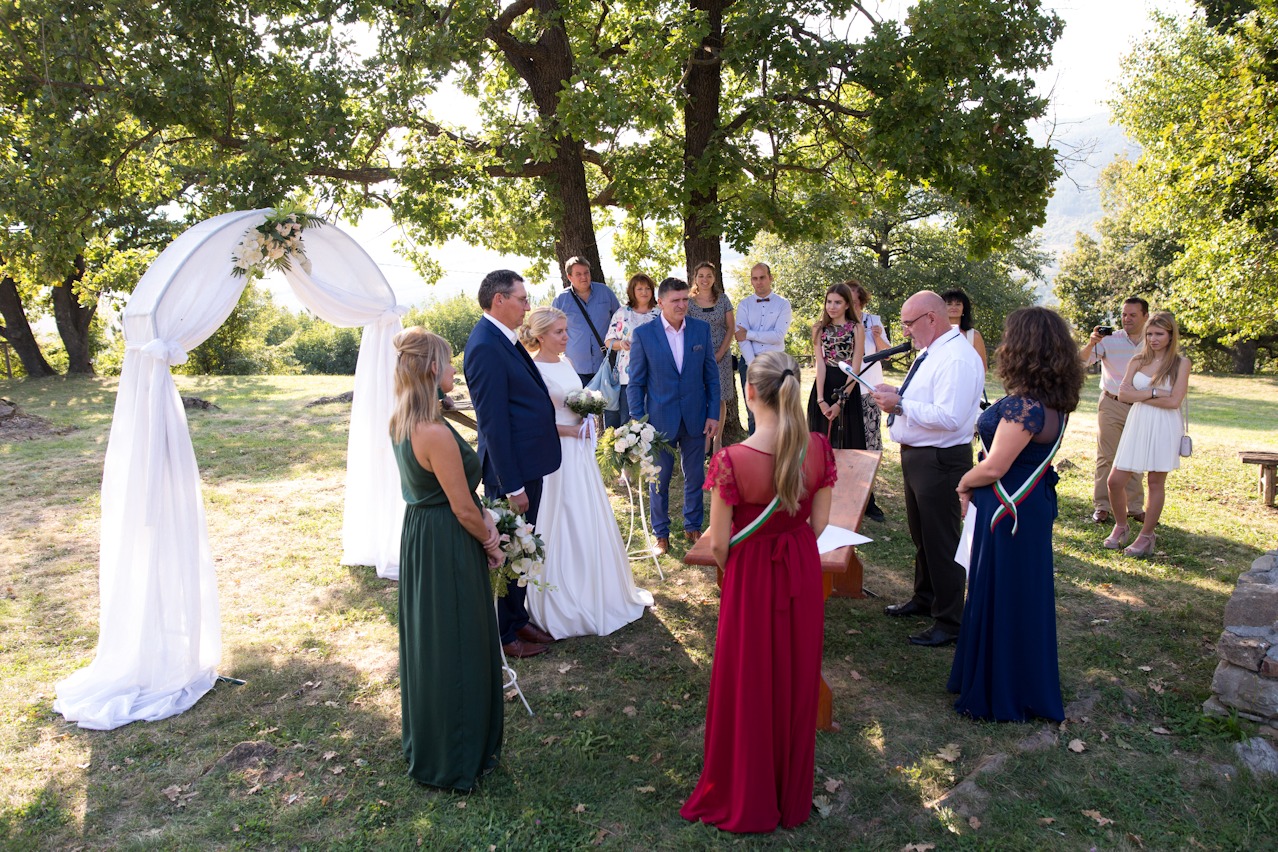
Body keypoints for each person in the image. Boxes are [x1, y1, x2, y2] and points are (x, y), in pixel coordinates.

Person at [680, 351, 836, 834]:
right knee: (795, 674)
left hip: (751, 575)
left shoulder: (731, 461)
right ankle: (790, 795)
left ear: (750, 393)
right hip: (800, 567)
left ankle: (749, 790)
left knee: (749, 679)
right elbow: (819, 524)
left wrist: (739, 571)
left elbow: (719, 543)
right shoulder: (817, 447)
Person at [948, 307, 1084, 722]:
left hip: (1009, 508)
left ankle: (1001, 689)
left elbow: (995, 467)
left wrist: (964, 483)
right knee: (1021, 594)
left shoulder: (1026, 406)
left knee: (1004, 593)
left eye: (1010, 337)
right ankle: (1019, 680)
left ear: (1024, 347)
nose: (1004, 344)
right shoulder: (1053, 400)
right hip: (1030, 505)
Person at [390, 327, 505, 790]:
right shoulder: (433, 432)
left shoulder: (404, 418)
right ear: (433, 368)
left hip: (421, 534)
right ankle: (456, 756)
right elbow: (462, 507)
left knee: (433, 641)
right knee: (458, 640)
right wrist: (491, 541)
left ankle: (435, 740)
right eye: (450, 361)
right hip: (447, 539)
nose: (456, 368)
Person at [519, 307, 655, 637]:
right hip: (555, 454)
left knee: (586, 511)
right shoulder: (532, 370)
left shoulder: (566, 363)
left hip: (580, 452)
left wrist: (589, 417)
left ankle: (598, 585)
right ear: (540, 336)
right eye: (559, 332)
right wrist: (569, 431)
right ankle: (562, 592)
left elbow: (575, 403)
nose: (567, 337)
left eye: (566, 330)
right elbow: (533, 422)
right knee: (561, 514)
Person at [870, 291, 984, 647]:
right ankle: (926, 597)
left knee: (941, 541)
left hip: (941, 459)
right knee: (923, 537)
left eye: (909, 323)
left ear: (931, 318)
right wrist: (897, 391)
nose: (905, 331)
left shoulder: (957, 357)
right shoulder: (933, 352)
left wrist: (900, 404)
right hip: (920, 456)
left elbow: (950, 416)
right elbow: (929, 397)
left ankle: (950, 621)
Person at [463, 270, 562, 658]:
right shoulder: (485, 345)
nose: (527, 305)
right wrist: (513, 485)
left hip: (528, 462)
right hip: (511, 470)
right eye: (522, 299)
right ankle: (504, 634)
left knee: (524, 545)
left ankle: (517, 618)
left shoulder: (504, 337)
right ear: (499, 300)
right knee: (509, 548)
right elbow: (493, 423)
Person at [627, 277, 721, 555]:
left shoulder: (701, 330)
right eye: (675, 300)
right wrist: (639, 422)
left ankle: (693, 526)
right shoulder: (644, 335)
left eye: (685, 300)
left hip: (695, 417)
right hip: (658, 421)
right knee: (659, 480)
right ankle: (661, 533)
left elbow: (711, 377)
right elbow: (636, 383)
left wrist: (713, 414)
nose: (682, 305)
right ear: (660, 303)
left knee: (695, 476)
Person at [1104, 311, 1192, 558]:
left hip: (1164, 424)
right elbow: (1123, 395)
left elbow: (1174, 401)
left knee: (1155, 482)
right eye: (1150, 334)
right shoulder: (1137, 360)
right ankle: (1121, 526)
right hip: (1137, 421)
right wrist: (1153, 393)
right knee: (1114, 481)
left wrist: (1139, 395)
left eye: (1159, 334)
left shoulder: (1181, 364)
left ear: (1171, 335)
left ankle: (1146, 536)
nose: (1153, 339)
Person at [1081, 297, 1150, 525]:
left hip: (1141, 406)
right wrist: (1091, 343)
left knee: (1136, 456)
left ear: (1145, 316)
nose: (1127, 319)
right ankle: (1102, 506)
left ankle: (1134, 507)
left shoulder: (1153, 341)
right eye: (1124, 315)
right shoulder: (1109, 340)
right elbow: (1080, 363)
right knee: (1107, 456)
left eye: (1133, 315)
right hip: (1112, 403)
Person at [806, 281, 867, 449]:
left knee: (847, 441)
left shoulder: (856, 328)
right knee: (820, 442)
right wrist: (820, 400)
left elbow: (856, 368)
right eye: (829, 302)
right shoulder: (819, 328)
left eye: (838, 302)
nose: (832, 307)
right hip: (823, 385)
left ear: (847, 305)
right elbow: (820, 364)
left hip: (847, 387)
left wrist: (840, 402)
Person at [734, 263, 792, 434]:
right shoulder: (744, 305)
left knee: (776, 408)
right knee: (753, 410)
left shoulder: (783, 304)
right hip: (749, 362)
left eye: (762, 277)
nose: (758, 282)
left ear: (770, 278)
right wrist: (753, 364)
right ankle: (754, 447)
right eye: (755, 278)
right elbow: (741, 338)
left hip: (775, 362)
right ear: (751, 281)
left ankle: (777, 447)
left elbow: (778, 336)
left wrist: (749, 333)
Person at [847, 280, 887, 522]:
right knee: (847, 443)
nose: (851, 305)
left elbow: (886, 353)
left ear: (862, 301)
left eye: (854, 300)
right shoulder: (838, 323)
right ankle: (847, 495)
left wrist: (878, 337)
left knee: (870, 444)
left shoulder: (874, 321)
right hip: (846, 391)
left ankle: (869, 500)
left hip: (868, 391)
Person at [552, 255, 622, 388]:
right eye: (578, 274)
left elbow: (620, 321)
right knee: (579, 402)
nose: (584, 277)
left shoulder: (605, 292)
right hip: (576, 369)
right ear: (569, 277)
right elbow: (552, 331)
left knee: (609, 401)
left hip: (605, 364)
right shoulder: (561, 300)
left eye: (586, 273)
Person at [690, 261, 736, 453]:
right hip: (697, 357)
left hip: (721, 356)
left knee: (720, 398)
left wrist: (720, 353)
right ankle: (705, 440)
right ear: (695, 278)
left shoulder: (723, 299)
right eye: (701, 276)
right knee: (700, 397)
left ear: (714, 278)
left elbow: (731, 328)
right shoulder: (689, 302)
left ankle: (718, 440)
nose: (705, 279)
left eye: (709, 275)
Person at [604, 273, 660, 426]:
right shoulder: (622, 313)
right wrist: (621, 344)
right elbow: (608, 341)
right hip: (628, 376)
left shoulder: (659, 313)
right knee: (629, 422)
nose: (644, 292)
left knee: (654, 421)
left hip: (656, 375)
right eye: (639, 289)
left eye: (647, 288)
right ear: (632, 291)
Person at [941, 289, 988, 370]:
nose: (953, 307)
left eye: (958, 304)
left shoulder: (974, 336)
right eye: (949, 304)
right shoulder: (935, 335)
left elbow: (982, 368)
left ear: (964, 308)